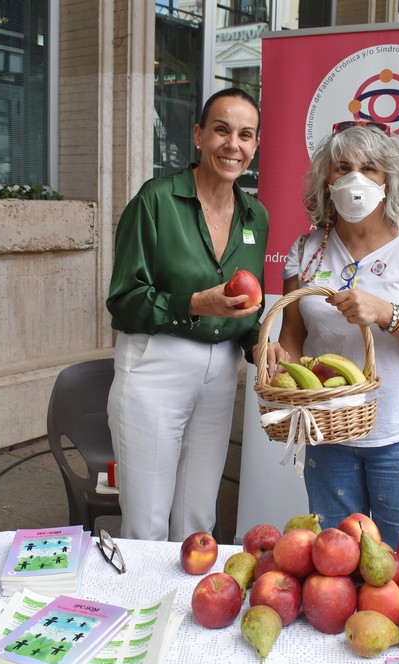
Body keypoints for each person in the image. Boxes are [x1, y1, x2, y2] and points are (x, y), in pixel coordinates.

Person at [106, 88, 281, 541]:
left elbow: (245, 308)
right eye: (221, 130)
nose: (233, 145)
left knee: (197, 519)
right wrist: (192, 303)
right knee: (147, 520)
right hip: (155, 363)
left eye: (245, 135)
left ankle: (191, 609)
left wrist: (260, 343)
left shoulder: (254, 216)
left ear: (255, 146)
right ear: (199, 135)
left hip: (221, 371)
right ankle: (142, 609)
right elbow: (123, 300)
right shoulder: (156, 201)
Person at [271, 120, 399, 542]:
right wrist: (279, 359)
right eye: (342, 167)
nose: (355, 178)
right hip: (330, 428)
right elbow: (294, 335)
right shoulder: (306, 250)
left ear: (389, 180)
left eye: (370, 168)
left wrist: (384, 313)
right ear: (326, 180)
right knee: (334, 562)